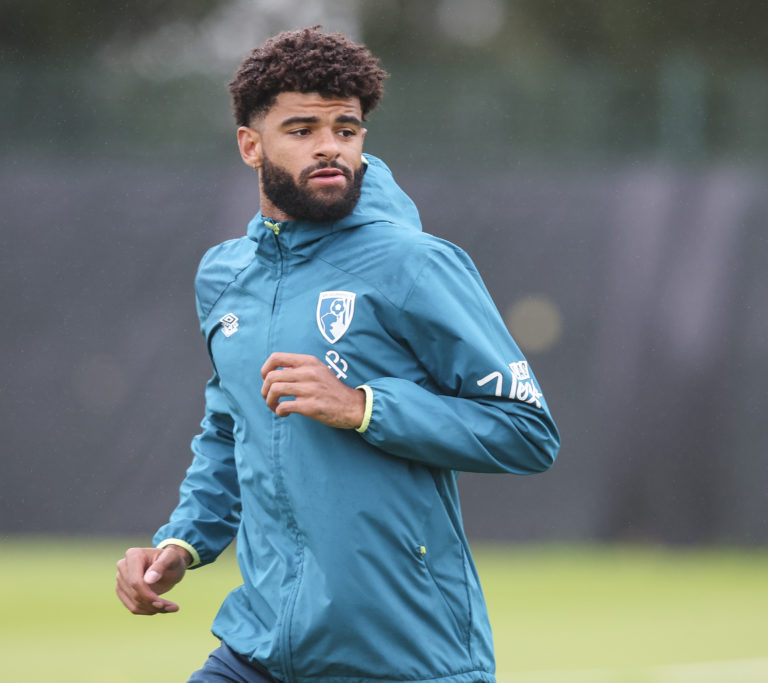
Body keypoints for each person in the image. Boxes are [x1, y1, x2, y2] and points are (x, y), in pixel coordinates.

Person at [115, 27, 559, 683]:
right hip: (260, 647)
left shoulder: (415, 263)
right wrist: (182, 542)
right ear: (250, 144)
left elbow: (529, 431)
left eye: (345, 129)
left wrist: (365, 407)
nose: (329, 146)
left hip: (403, 657)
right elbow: (230, 426)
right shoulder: (223, 276)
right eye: (301, 129)